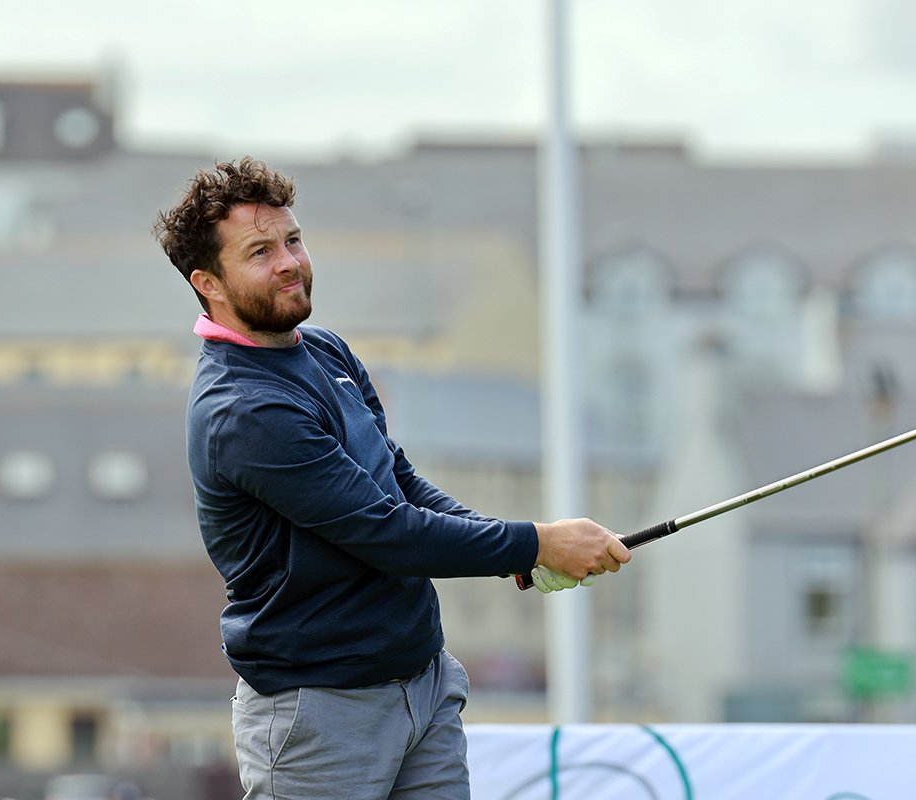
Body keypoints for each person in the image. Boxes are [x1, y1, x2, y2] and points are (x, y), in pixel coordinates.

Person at [153, 157, 630, 800]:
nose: (290, 262)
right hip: (317, 713)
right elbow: (385, 531)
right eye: (260, 252)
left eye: (292, 240)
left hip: (421, 684)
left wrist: (504, 548)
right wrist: (534, 542)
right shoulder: (244, 410)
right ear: (208, 282)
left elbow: (397, 480)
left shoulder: (324, 351)